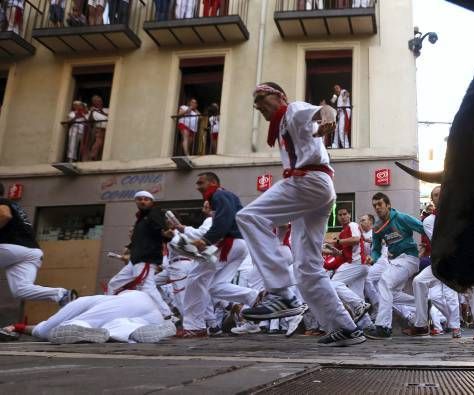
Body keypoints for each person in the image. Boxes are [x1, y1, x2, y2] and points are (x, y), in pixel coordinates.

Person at [237, 82, 365, 347]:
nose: (257, 104)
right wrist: (321, 127)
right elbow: (313, 127)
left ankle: (281, 294)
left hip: (308, 182)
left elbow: (324, 110)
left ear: (279, 96)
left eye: (261, 97)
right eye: (255, 101)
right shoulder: (287, 125)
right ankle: (346, 328)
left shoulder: (292, 109)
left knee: (249, 217)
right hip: (316, 189)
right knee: (306, 269)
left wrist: (328, 117)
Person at [178, 173, 262, 338]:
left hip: (229, 245)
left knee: (195, 278)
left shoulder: (219, 194)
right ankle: (255, 296)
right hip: (238, 246)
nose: (198, 187)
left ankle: (194, 327)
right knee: (214, 287)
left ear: (213, 183)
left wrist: (206, 240)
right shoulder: (225, 196)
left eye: (201, 182)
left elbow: (225, 218)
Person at [0, 183, 76, 307]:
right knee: (21, 290)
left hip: (12, 247)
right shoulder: (13, 205)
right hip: (31, 252)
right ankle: (61, 294)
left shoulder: (2, 201)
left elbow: (4, 215)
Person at [362, 192, 425, 340]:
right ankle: (421, 302)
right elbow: (376, 249)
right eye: (374, 205)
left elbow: (422, 228)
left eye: (380, 204)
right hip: (395, 261)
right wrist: (373, 258)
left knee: (384, 282)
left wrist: (429, 248)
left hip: (409, 258)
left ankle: (383, 327)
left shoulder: (402, 218)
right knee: (391, 294)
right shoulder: (377, 227)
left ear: (388, 205)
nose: (377, 208)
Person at [1, 290, 175, 344]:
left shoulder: (92, 300)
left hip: (130, 300)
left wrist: (18, 327)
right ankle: (134, 331)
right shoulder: (111, 300)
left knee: (48, 330)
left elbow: (43, 328)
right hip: (152, 315)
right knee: (117, 325)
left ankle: (79, 325)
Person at [404, 185, 462, 338]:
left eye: (441, 193)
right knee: (419, 282)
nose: (439, 196)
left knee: (450, 294)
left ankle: (456, 327)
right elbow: (441, 241)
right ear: (433, 200)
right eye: (435, 195)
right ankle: (422, 324)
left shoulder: (457, 214)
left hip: (454, 261)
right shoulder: (429, 221)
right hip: (438, 262)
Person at [105, 191, 172, 319]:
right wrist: (129, 247)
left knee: (147, 287)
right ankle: (111, 313)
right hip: (136, 260)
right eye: (140, 199)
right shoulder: (141, 219)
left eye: (146, 199)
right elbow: (141, 237)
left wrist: (164, 233)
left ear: (152, 202)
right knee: (114, 284)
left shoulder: (154, 212)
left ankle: (167, 315)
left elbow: (159, 229)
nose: (142, 201)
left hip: (146, 258)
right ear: (136, 202)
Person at [87, 95, 108, 161]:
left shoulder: (107, 109)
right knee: (98, 142)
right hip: (99, 129)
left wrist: (101, 111)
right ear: (93, 103)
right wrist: (92, 112)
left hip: (108, 129)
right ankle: (92, 156)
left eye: (99, 101)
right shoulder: (92, 111)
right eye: (95, 101)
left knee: (104, 145)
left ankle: (99, 158)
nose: (98, 102)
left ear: (101, 101)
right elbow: (90, 121)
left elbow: (109, 116)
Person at [330, 84, 351, 149]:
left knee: (342, 129)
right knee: (336, 129)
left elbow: (347, 93)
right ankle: (335, 145)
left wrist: (344, 98)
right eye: (335, 89)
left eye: (337, 88)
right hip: (340, 115)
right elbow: (332, 102)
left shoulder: (343, 91)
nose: (336, 89)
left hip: (344, 113)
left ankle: (346, 145)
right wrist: (334, 99)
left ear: (339, 88)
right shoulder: (337, 97)